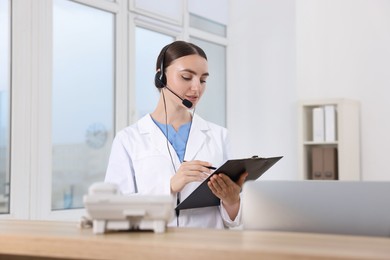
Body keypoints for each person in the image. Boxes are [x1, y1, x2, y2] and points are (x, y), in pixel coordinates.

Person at [104, 40, 248, 229]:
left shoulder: (219, 136)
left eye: (203, 80)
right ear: (160, 76)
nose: (197, 88)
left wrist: (232, 201)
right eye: (187, 77)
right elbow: (114, 209)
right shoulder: (128, 140)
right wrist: (170, 187)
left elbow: (233, 220)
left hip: (208, 250)